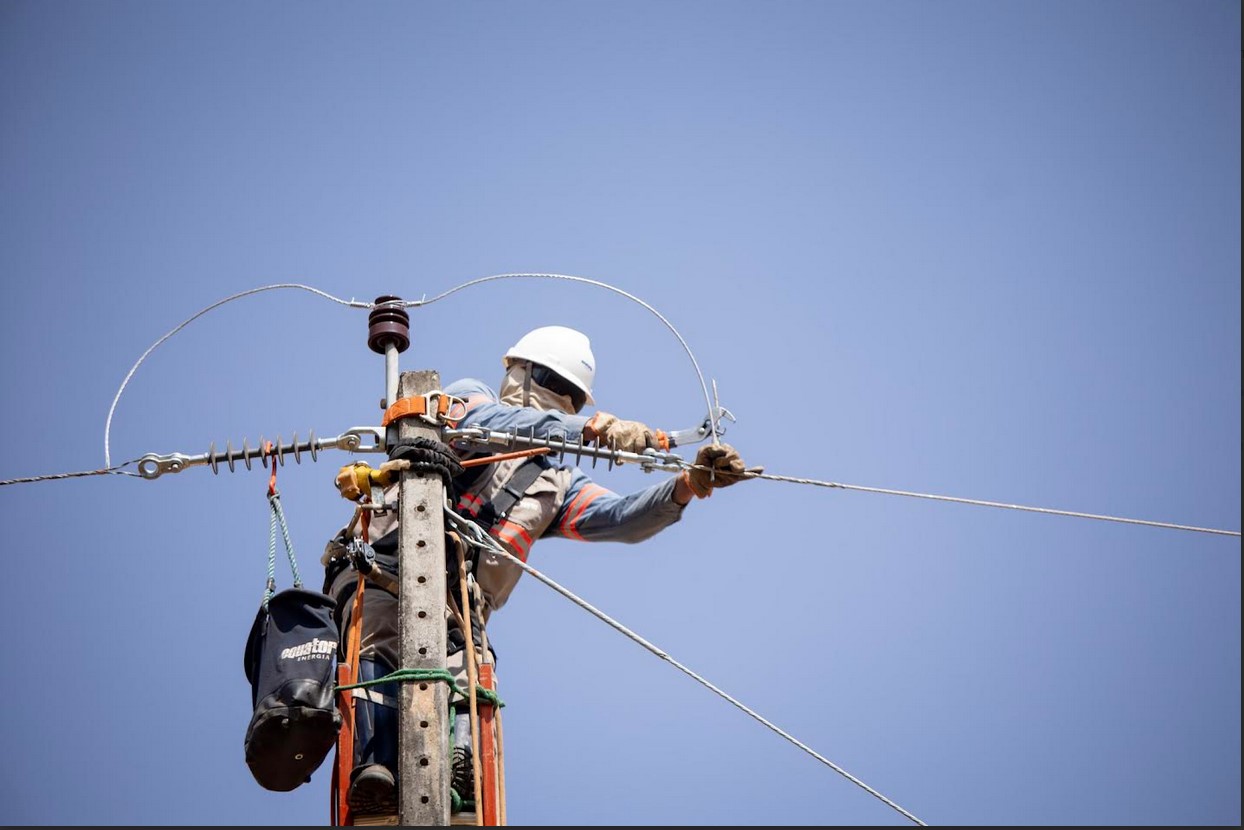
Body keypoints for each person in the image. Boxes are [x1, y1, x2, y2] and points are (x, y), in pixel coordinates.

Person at [322, 325, 760, 815]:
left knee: (469, 675)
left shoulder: (556, 482)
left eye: (571, 394)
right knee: (380, 640)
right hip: (383, 569)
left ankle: (461, 785)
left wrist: (688, 484)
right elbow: (493, 421)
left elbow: (622, 518)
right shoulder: (466, 403)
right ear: (519, 371)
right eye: (554, 383)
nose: (561, 400)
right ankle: (374, 771)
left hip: (461, 609)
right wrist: (591, 429)